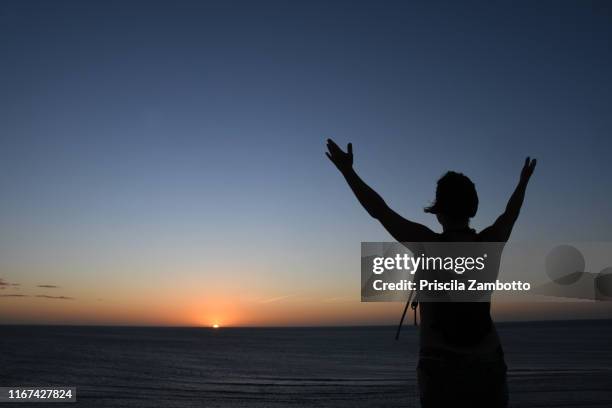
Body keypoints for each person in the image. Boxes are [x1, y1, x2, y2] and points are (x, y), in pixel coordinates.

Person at [325, 138, 536, 408]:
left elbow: (379, 211)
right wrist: (523, 182)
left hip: (440, 366)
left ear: (438, 212)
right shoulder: (489, 243)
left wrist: (348, 172)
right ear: (472, 208)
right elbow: (511, 213)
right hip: (488, 362)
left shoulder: (427, 244)